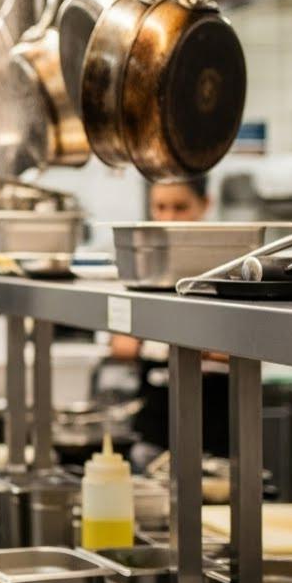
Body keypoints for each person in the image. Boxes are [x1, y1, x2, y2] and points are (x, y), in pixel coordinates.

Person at [108, 177, 230, 460]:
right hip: (154, 428)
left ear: (205, 204)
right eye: (160, 207)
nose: (168, 217)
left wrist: (171, 343)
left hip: (215, 428)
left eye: (180, 207)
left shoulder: (225, 265)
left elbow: (245, 347)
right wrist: (187, 346)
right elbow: (120, 345)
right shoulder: (144, 269)